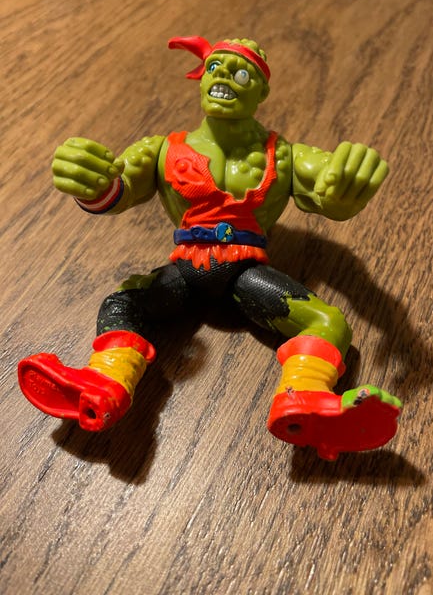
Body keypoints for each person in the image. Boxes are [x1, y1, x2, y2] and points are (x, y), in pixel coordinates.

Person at [18, 36, 402, 460]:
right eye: (215, 68)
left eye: (242, 74)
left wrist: (345, 186)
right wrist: (89, 181)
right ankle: (105, 386)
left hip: (245, 272)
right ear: (201, 79)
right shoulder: (162, 149)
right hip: (185, 269)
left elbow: (327, 181)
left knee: (328, 322)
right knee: (122, 304)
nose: (225, 78)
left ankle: (304, 397)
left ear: (261, 91)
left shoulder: (283, 155)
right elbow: (118, 189)